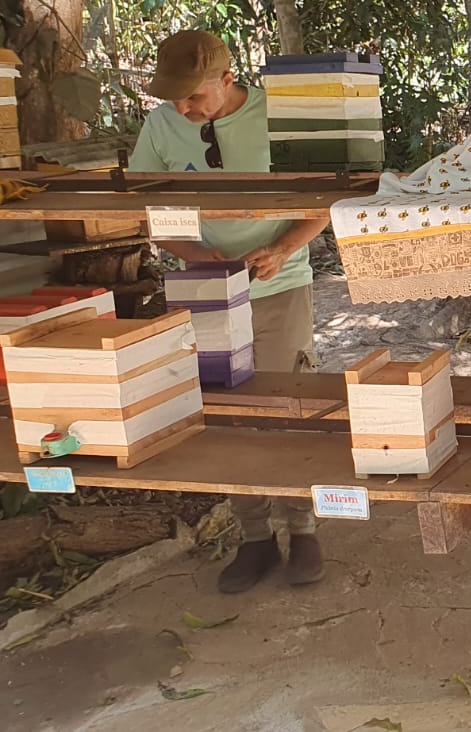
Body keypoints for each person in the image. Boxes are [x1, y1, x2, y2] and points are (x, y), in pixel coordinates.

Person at [131, 30, 330, 593]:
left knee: (289, 404)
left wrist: (284, 248)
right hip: (206, 287)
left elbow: (329, 196)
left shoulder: (280, 115)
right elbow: (152, 209)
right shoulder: (161, 126)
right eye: (174, 99)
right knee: (226, 411)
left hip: (280, 282)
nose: (183, 109)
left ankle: (304, 529)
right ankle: (254, 538)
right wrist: (196, 253)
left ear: (226, 80)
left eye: (194, 97)